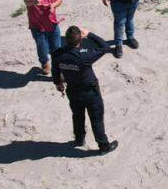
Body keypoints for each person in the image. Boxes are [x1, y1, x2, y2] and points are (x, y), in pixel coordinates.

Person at [50, 26, 119, 154]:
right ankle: (104, 146)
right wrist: (90, 34)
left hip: (73, 91)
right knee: (96, 118)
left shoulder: (58, 54)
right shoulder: (84, 55)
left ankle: (79, 139)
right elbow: (104, 47)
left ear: (66, 40)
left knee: (77, 116)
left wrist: (57, 83)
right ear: (80, 39)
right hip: (90, 92)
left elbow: (55, 70)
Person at [22, 0, 63, 75]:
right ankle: (45, 63)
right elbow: (26, 1)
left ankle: (57, 69)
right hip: (37, 26)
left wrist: (53, 5)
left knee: (57, 49)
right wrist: (33, 1)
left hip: (53, 23)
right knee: (43, 50)